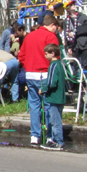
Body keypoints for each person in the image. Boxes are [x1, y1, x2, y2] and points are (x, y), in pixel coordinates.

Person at [18, 14, 60, 145]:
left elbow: (21, 56)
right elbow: (55, 56)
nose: (57, 30)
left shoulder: (29, 36)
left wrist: (28, 66)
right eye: (56, 27)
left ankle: (34, 136)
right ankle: (49, 136)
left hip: (30, 73)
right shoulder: (50, 36)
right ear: (52, 25)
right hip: (45, 73)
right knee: (48, 105)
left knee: (34, 105)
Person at [39, 43, 66, 150]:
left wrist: (43, 90)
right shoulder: (59, 64)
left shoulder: (53, 65)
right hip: (59, 97)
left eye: (47, 54)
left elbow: (51, 82)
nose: (45, 56)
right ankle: (56, 139)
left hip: (55, 97)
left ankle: (58, 141)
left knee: (55, 121)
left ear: (53, 54)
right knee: (56, 119)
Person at [63, 0, 87, 69]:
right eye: (71, 4)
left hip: (84, 43)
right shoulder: (66, 21)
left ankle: (84, 78)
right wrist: (68, 47)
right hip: (74, 45)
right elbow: (66, 34)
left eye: (74, 4)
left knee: (84, 64)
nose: (74, 5)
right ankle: (77, 78)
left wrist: (75, 32)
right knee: (76, 65)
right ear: (68, 8)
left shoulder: (83, 17)